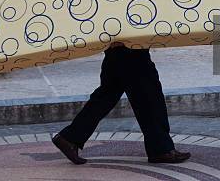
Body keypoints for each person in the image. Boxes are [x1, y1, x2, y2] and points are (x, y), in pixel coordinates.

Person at [52, 41, 191, 164]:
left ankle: (70, 138)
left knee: (108, 94)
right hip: (127, 43)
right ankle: (161, 149)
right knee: (148, 95)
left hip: (125, 42)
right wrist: (116, 36)